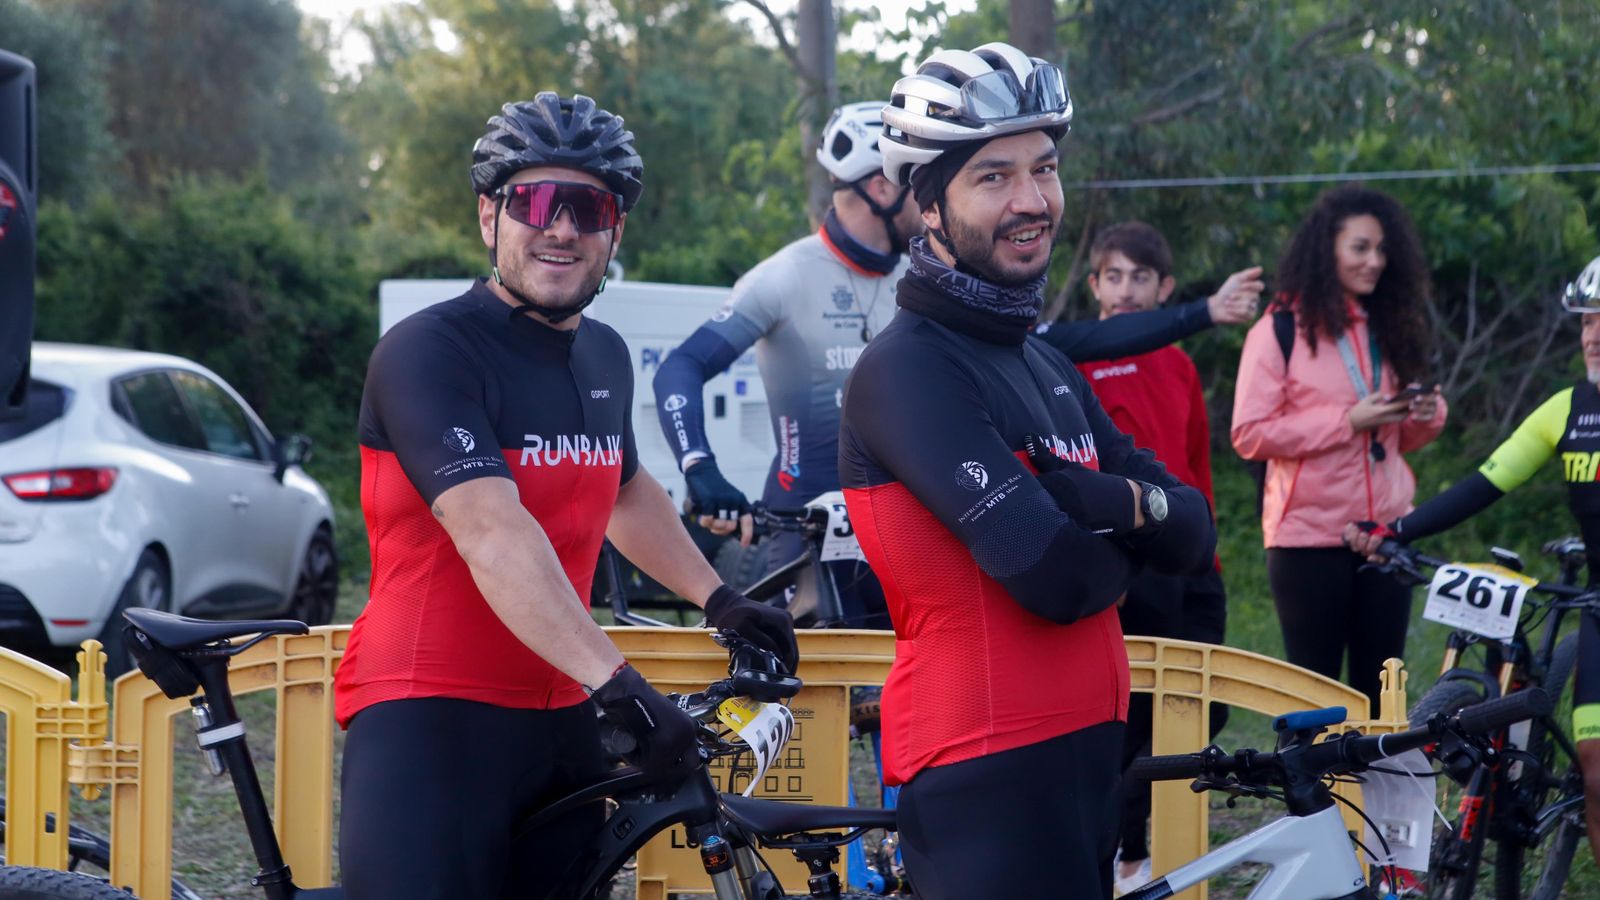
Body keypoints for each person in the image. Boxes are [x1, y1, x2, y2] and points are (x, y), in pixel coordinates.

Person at [334, 93, 797, 900]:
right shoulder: (428, 352)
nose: (561, 228)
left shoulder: (606, 356)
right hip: (431, 715)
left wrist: (719, 598)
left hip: (563, 715)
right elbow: (490, 529)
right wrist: (620, 684)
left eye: (588, 207)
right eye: (535, 202)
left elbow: (624, 491)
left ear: (614, 230)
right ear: (490, 216)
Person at [839, 43, 1217, 898]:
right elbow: (1054, 579)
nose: (1032, 200)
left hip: (1087, 754)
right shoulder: (907, 371)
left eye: (1043, 170)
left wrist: (1109, 503)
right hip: (983, 766)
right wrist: (1139, 522)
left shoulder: (1043, 364)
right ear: (928, 204)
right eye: (994, 176)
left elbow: (1197, 538)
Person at [1346, 252, 1600, 868]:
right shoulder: (1569, 409)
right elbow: (1485, 483)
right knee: (1597, 773)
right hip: (1598, 608)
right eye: (1588, 320)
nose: (1593, 335)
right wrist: (1396, 530)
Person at [651, 100, 920, 627]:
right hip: (803, 534)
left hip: (901, 531)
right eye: (921, 182)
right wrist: (698, 466)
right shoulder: (786, 277)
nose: (934, 199)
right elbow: (680, 368)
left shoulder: (919, 276)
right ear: (881, 188)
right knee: (811, 707)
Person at [1075, 221, 1257, 893]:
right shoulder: (1078, 362)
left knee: (1200, 709)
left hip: (1189, 564)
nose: (1126, 291)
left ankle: (1163, 837)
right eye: (1113, 276)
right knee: (1123, 719)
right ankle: (1125, 856)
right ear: (1095, 286)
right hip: (1124, 567)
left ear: (1165, 288)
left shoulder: (1179, 363)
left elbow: (1194, 468)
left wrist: (1205, 550)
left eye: (1140, 278)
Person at [1231, 184, 1446, 706]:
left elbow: (1403, 441)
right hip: (1308, 540)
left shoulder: (1392, 323)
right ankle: (1314, 788)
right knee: (1315, 698)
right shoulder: (1279, 329)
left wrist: (1425, 412)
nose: (1374, 261)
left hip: (1387, 533)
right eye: (1360, 248)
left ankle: (1375, 790)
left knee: (1381, 695)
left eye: (1381, 249)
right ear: (1326, 250)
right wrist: (1346, 421)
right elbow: (1249, 433)